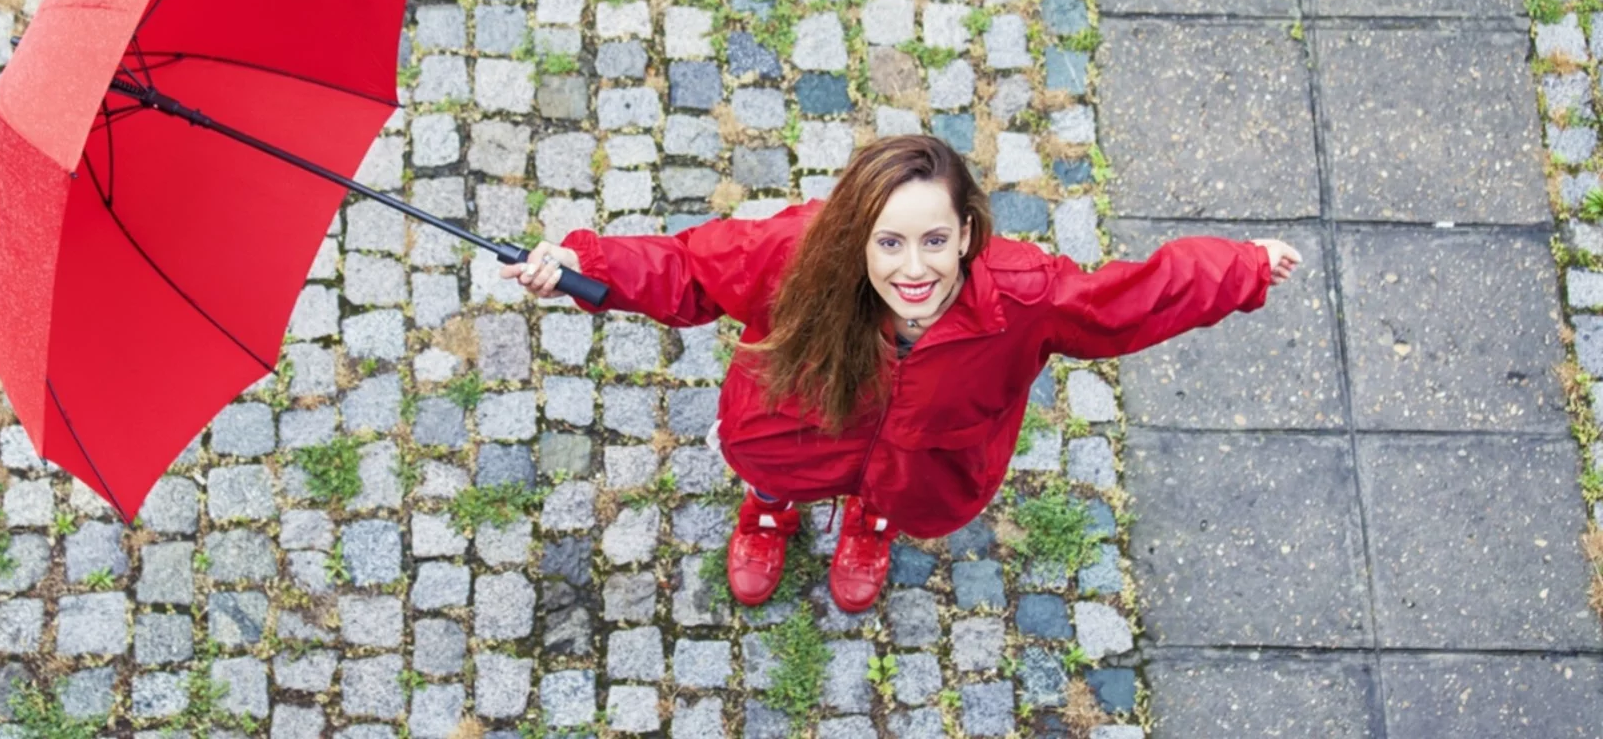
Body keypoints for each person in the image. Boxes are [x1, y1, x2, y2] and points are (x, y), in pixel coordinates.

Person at [499, 135, 1300, 613]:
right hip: (792, 432)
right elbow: (690, 272)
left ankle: (869, 528)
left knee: (890, 498)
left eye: (933, 241)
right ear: (856, 234)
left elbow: (1132, 300)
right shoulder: (799, 254)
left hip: (925, 459)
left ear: (965, 232)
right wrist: (582, 266)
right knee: (778, 477)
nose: (913, 269)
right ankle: (770, 516)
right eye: (888, 243)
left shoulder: (1024, 297)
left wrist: (1244, 268)